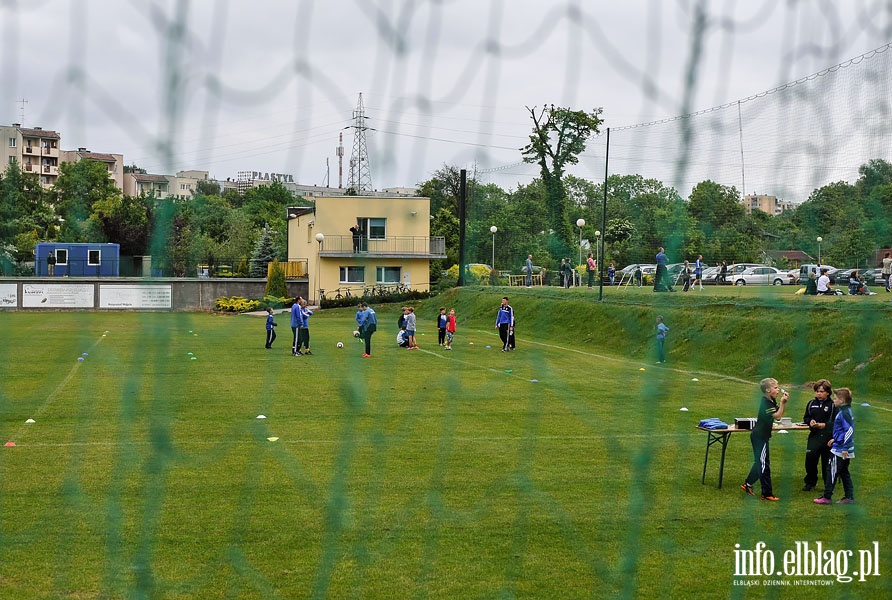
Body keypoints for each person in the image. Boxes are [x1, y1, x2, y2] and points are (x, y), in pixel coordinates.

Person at [741, 378, 789, 501]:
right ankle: (767, 493)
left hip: (762, 436)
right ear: (768, 390)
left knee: (760, 462)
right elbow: (778, 416)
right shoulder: (766, 403)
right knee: (764, 465)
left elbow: (777, 417)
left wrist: (782, 403)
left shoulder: (771, 401)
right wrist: (783, 403)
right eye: (776, 388)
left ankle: (747, 484)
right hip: (759, 437)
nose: (778, 390)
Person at [814, 387, 855, 505]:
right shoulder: (846, 411)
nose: (834, 400)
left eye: (836, 398)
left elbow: (849, 431)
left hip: (841, 449)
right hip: (842, 445)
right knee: (844, 472)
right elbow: (843, 430)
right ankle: (849, 497)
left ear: (842, 400)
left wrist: (845, 448)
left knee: (831, 471)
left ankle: (827, 497)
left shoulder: (844, 413)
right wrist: (835, 438)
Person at [802, 379, 836, 492]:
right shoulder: (811, 404)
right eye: (817, 391)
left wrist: (824, 425)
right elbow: (806, 417)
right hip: (814, 436)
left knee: (827, 462)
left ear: (828, 392)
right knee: (810, 461)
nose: (819, 394)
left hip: (828, 438)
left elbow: (837, 422)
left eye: (822, 391)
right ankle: (810, 482)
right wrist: (810, 421)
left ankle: (828, 484)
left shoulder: (833, 405)